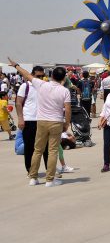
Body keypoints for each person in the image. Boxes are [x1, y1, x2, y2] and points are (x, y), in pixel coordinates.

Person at [9, 59, 71, 187]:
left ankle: (33, 178)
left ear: (51, 75)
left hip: (41, 121)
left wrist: (16, 65)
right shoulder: (64, 91)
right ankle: (50, 180)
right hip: (56, 122)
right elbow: (68, 109)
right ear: (63, 78)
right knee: (53, 151)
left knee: (37, 150)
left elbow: (26, 74)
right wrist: (67, 123)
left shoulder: (42, 85)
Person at [16, 66, 47, 173]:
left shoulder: (44, 86)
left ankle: (49, 170)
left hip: (43, 120)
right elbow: (18, 103)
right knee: (29, 148)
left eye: (42, 76)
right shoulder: (25, 86)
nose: (41, 78)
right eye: (38, 76)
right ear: (32, 75)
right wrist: (20, 118)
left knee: (46, 148)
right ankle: (30, 170)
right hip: (29, 120)